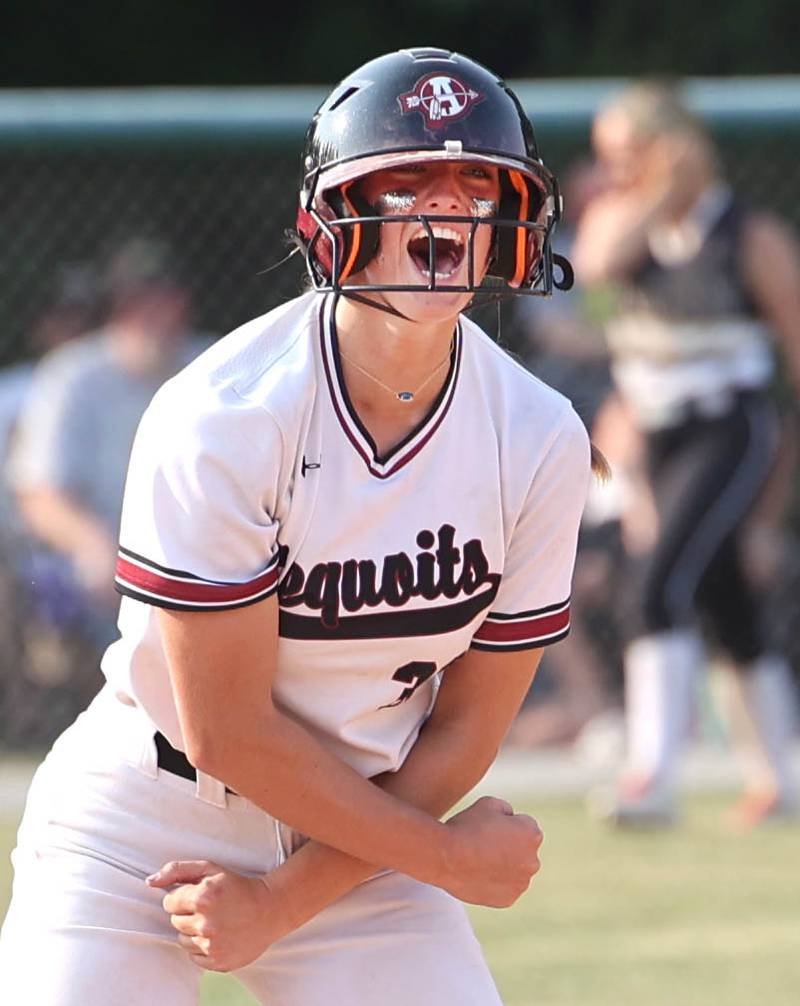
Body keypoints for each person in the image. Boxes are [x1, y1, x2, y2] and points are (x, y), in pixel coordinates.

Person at [0, 48, 594, 1005]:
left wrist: (284, 901)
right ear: (332, 221)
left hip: (358, 835)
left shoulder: (537, 437)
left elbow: (463, 733)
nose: (445, 209)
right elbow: (228, 731)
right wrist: (446, 856)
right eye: (404, 181)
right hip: (145, 822)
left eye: (475, 182)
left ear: (510, 220)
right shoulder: (229, 416)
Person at [572, 81, 800, 827]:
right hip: (654, 435)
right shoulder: (622, 226)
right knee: (726, 599)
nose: (622, 172)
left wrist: (772, 507)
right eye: (613, 159)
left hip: (730, 429)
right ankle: (782, 780)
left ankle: (651, 779)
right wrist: (654, 190)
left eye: (635, 155)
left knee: (656, 586)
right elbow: (599, 265)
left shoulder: (748, 236)